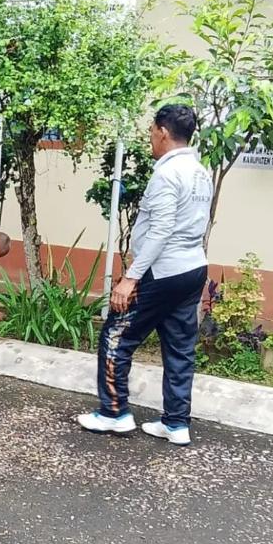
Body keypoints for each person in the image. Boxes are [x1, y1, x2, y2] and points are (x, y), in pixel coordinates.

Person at [77, 104, 211, 446]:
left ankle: (114, 413)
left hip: (162, 271)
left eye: (152, 132)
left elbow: (161, 230)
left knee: (116, 336)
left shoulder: (167, 174)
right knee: (180, 347)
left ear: (163, 132)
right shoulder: (200, 172)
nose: (150, 138)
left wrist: (130, 278)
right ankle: (176, 424)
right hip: (193, 268)